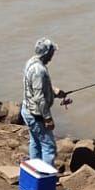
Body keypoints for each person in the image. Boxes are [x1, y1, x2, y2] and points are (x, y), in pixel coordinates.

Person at [21, 37, 66, 165]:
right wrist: (47, 118)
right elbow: (39, 97)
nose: (52, 56)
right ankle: (46, 177)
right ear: (47, 53)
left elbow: (38, 87)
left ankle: (36, 170)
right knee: (49, 147)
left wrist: (55, 92)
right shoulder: (39, 71)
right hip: (36, 115)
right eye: (52, 53)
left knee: (35, 142)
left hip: (27, 110)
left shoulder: (32, 62)